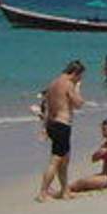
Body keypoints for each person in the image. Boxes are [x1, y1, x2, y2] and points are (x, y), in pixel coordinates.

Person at [37, 61, 87, 200]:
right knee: (55, 160)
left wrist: (44, 128)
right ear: (75, 73)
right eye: (80, 76)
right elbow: (79, 104)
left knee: (64, 160)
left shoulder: (53, 83)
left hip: (52, 123)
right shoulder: (68, 84)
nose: (80, 79)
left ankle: (65, 190)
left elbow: (48, 107)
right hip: (62, 124)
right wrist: (77, 88)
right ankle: (43, 192)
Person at [68, 118, 107, 193]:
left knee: (81, 182)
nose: (103, 132)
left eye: (104, 130)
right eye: (102, 129)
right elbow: (94, 159)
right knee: (84, 182)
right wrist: (100, 153)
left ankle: (60, 192)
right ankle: (63, 191)